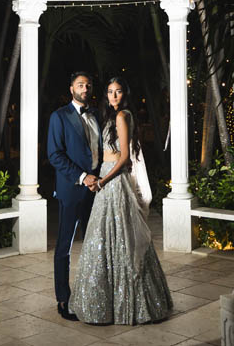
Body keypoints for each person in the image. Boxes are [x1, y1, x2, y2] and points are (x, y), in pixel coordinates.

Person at [69, 77, 173, 325]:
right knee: (108, 237)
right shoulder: (118, 115)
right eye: (109, 92)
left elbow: (125, 157)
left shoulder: (121, 116)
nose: (113, 96)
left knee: (117, 237)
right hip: (107, 174)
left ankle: (125, 304)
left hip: (113, 180)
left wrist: (103, 180)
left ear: (125, 93)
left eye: (117, 92)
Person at [46, 71, 102, 321]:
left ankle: (93, 293)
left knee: (94, 244)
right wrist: (83, 177)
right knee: (64, 247)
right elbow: (55, 154)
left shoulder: (98, 115)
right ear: (71, 89)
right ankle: (63, 298)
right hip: (73, 189)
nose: (85, 88)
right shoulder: (59, 116)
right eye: (80, 85)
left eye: (88, 85)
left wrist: (100, 178)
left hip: (97, 189)